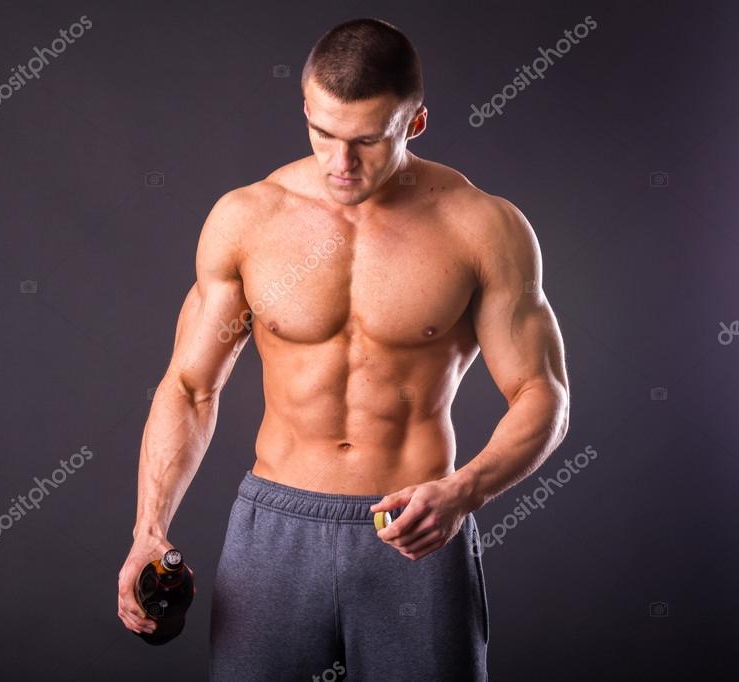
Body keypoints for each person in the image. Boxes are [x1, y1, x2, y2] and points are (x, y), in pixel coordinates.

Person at [117, 17, 569, 681]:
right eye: (322, 133)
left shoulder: (481, 227)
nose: (340, 164)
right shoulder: (247, 219)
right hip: (274, 533)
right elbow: (189, 385)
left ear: (412, 123)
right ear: (305, 106)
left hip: (417, 532)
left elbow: (542, 394)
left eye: (365, 141)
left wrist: (462, 492)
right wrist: (147, 530)